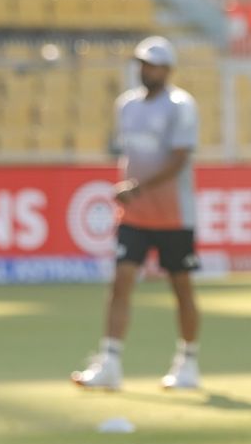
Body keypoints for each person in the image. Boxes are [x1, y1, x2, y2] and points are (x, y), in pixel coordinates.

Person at [72, 36, 201, 391]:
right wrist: (133, 191)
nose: (147, 70)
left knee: (181, 287)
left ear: (168, 69)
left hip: (175, 214)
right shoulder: (126, 105)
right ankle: (110, 362)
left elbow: (178, 159)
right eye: (143, 63)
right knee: (120, 283)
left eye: (154, 64)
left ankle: (188, 362)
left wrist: (137, 187)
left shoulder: (181, 105)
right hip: (134, 215)